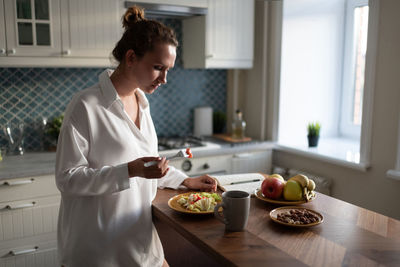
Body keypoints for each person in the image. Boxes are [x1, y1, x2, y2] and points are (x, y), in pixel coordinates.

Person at [55, 6, 217, 267]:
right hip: (96, 253)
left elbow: (144, 165)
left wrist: (186, 181)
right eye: (157, 67)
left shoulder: (142, 103)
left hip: (139, 246)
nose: (164, 79)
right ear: (131, 58)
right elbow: (67, 179)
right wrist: (128, 171)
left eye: (168, 70)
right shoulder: (85, 106)